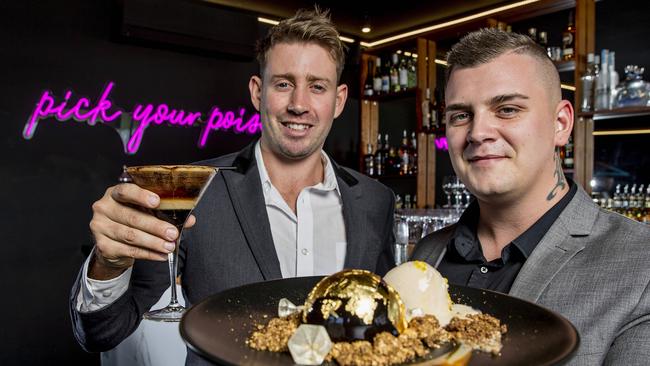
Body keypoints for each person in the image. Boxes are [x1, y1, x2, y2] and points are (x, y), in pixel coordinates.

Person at [69, 8, 396, 365]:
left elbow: (386, 323)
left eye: (317, 86)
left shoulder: (375, 201)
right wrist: (108, 264)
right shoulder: (191, 188)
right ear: (258, 92)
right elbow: (103, 331)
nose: (299, 104)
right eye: (283, 84)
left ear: (338, 100)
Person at [412, 28, 650, 365]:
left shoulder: (642, 264)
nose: (478, 133)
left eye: (507, 109)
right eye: (461, 115)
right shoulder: (428, 254)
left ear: (561, 123)